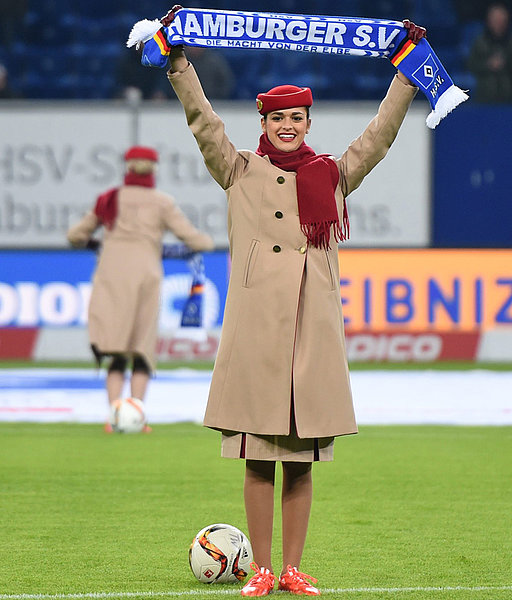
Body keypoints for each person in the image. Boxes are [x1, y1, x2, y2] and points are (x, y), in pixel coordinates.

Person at [159, 5, 423, 596]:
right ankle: (259, 570)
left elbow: (376, 141)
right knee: (257, 456)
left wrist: (407, 77)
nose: (288, 126)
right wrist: (177, 62)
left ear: (307, 121)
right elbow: (203, 123)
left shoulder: (332, 173)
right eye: (279, 118)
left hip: (311, 331)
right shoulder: (238, 169)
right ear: (266, 121)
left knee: (300, 459)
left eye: (297, 117)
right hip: (257, 329)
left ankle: (293, 569)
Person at [66, 145, 214, 432]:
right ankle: (137, 414)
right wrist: (168, 248)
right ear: (154, 168)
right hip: (146, 275)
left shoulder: (109, 199)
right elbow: (198, 241)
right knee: (142, 349)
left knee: (117, 347)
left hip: (111, 276)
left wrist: (101, 244)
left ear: (128, 166)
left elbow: (75, 235)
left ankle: (114, 416)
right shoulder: (162, 203)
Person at [467, 3, 512, 103]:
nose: (499, 23)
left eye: (502, 20)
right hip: (485, 95)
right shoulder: (480, 41)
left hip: (509, 95)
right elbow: (471, 64)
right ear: (489, 21)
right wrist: (488, 64)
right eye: (496, 20)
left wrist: (510, 63)